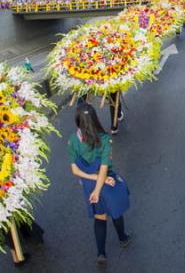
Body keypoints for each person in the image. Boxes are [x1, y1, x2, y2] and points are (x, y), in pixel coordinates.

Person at [68, 103, 132, 265]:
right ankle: (123, 238)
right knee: (116, 210)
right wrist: (98, 187)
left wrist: (93, 180)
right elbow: (103, 169)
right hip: (105, 180)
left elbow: (75, 170)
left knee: (100, 217)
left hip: (89, 183)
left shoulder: (73, 140)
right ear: (95, 118)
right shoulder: (104, 139)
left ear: (78, 121)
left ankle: (101, 253)